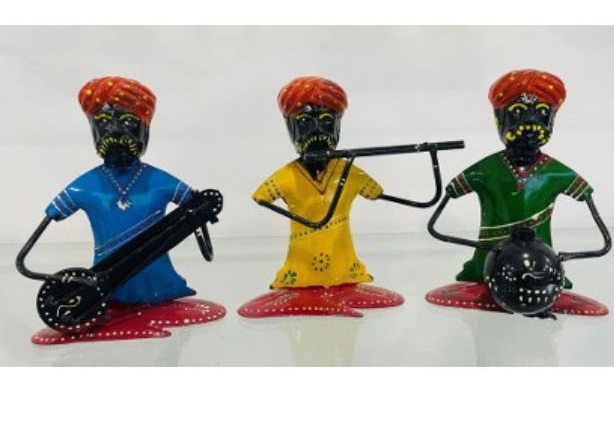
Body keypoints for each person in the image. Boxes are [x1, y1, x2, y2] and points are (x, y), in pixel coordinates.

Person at [17, 76, 225, 344]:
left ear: (144, 128)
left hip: (155, 274)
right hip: (104, 280)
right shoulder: (85, 186)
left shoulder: (159, 181)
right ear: (92, 129)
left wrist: (203, 209)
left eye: (127, 122)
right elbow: (45, 224)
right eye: (104, 122)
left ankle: (155, 299)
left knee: (156, 282)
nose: (115, 130)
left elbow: (197, 202)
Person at [426, 69, 611, 317]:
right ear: (499, 119)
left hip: (543, 269)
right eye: (517, 112)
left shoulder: (556, 173)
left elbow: (601, 235)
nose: (531, 123)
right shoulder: (486, 170)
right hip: (488, 264)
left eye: (542, 113)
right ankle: (483, 278)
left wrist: (561, 260)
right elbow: (437, 219)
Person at [239, 76, 404, 317]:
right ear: (290, 127)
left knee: (342, 267)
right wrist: (305, 221)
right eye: (304, 122)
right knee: (302, 273)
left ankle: (341, 286)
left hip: (341, 250)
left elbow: (375, 191)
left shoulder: (348, 171)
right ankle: (304, 292)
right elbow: (261, 197)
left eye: (326, 121)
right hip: (303, 253)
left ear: (338, 125)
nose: (316, 131)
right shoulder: (288, 176)